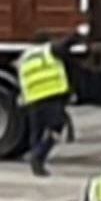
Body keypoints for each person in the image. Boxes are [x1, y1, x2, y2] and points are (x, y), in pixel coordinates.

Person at [17, 31, 74, 176]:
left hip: (33, 99)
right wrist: (78, 34)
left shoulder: (25, 57)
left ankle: (36, 160)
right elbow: (64, 45)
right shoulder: (48, 51)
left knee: (36, 132)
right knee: (56, 128)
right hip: (50, 96)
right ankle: (38, 156)